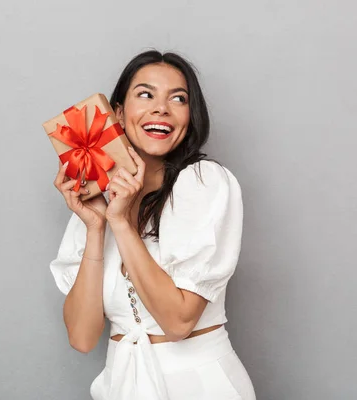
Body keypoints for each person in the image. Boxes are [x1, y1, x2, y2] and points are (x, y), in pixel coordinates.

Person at [50, 50, 256, 400]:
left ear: (190, 118)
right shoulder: (97, 196)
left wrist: (122, 223)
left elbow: (177, 322)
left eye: (178, 98)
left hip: (200, 386)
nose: (161, 108)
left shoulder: (204, 183)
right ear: (117, 113)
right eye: (145, 94)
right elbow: (83, 338)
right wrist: (96, 226)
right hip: (123, 385)